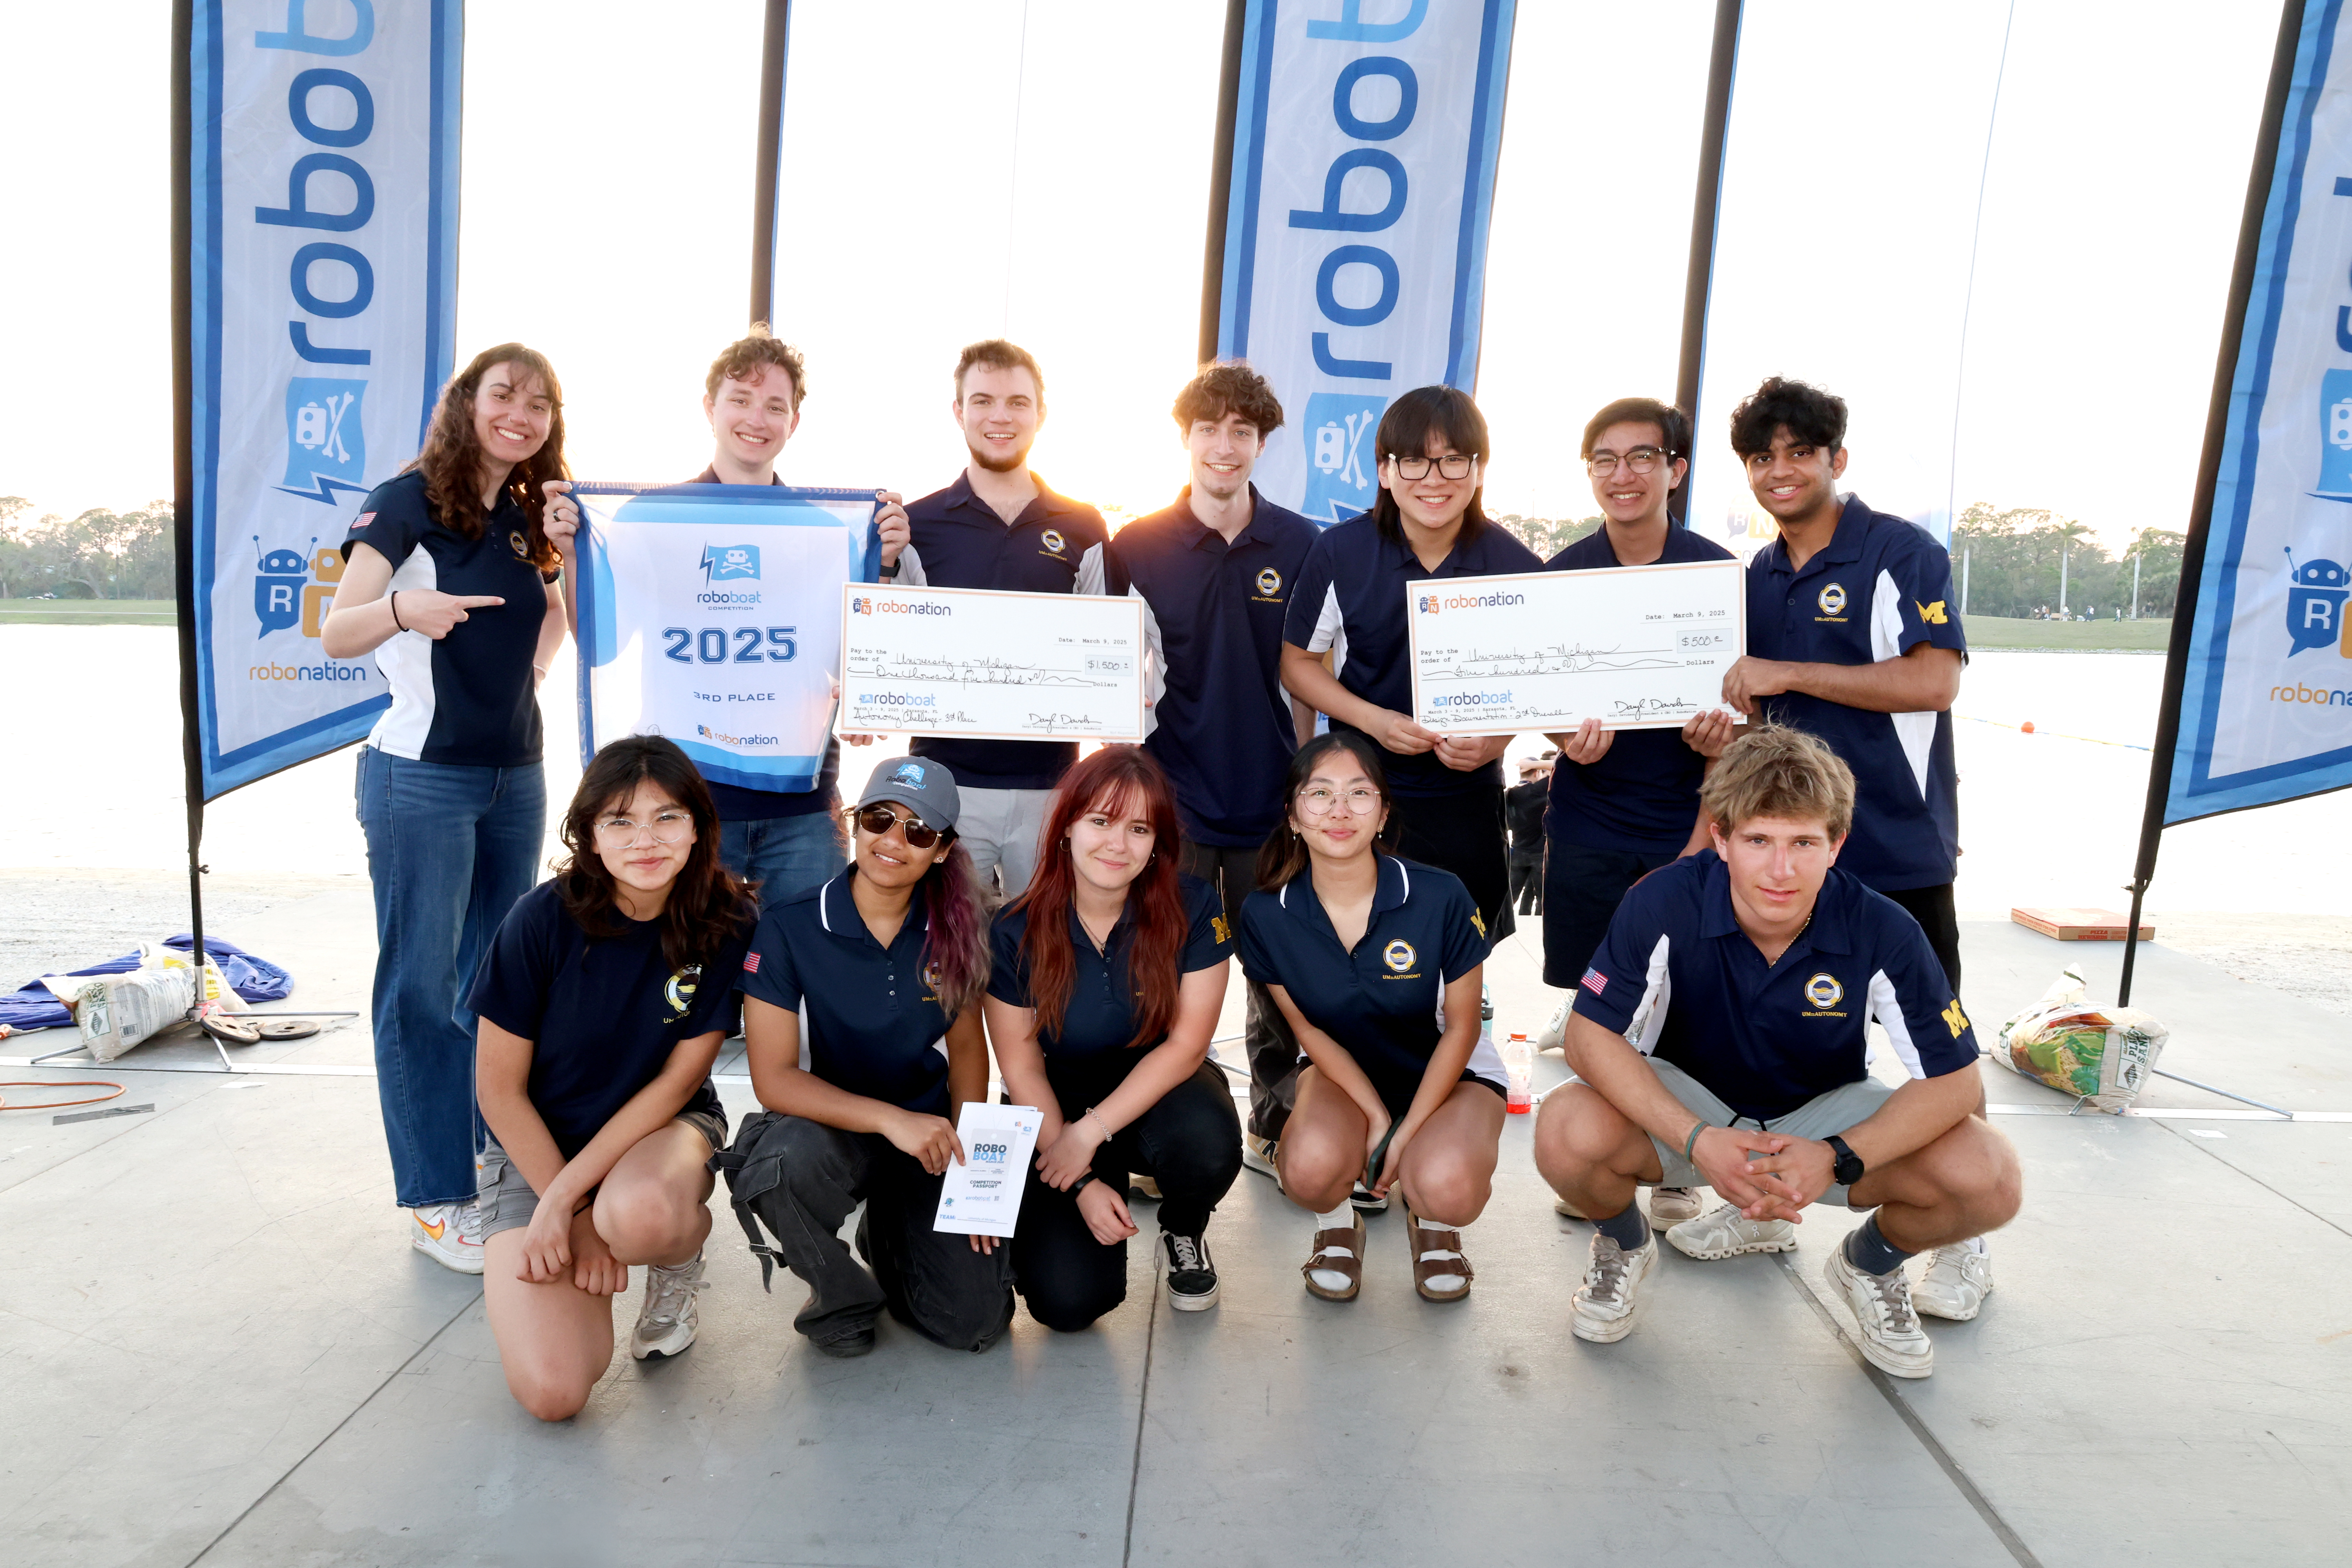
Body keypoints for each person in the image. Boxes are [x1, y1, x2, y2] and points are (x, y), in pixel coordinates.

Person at [1534, 725, 2020, 1379]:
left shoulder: (1883, 927)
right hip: (1691, 1108)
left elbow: (1957, 1083)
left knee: (1991, 1172)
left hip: (1819, 1116)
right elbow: (1587, 1036)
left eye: (1803, 843)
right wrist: (1698, 1138)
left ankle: (1870, 1263)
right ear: (1722, 839)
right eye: (1759, 841)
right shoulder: (1663, 900)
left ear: (1836, 844)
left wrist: (1839, 1157)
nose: (1782, 869)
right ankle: (1624, 1242)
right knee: (1566, 1125)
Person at [1718, 376, 1992, 1320]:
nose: (1780, 471)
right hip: (1786, 866)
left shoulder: (1898, 552)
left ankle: (1963, 1238)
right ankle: (1764, 1207)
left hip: (1894, 849)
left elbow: (1935, 680)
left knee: (1938, 1058)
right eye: (1762, 457)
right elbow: (1750, 706)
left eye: (1800, 451)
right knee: (1771, 1047)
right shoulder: (1753, 577)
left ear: (1837, 459)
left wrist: (1787, 671)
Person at [322, 344, 571, 1272]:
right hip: (421, 777)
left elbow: (555, 614)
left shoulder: (521, 516)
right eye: (504, 394)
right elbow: (337, 629)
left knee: (494, 984)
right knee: (421, 988)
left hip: (517, 776)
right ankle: (434, 1197)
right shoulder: (405, 498)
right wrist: (403, 610)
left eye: (540, 403)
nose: (521, 412)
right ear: (467, 402)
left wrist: (534, 678)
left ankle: (481, 1154)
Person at [468, 736, 755, 1420]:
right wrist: (566, 1205)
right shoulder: (541, 919)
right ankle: (586, 1243)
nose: (644, 840)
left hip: (662, 1129)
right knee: (554, 1393)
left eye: (666, 818)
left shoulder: (728, 921)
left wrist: (585, 1213)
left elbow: (677, 1083)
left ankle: (677, 1264)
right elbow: (498, 1092)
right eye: (620, 821)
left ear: (697, 829)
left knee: (641, 1216)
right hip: (538, 1145)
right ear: (591, 835)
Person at [712, 756, 1014, 1356]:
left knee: (974, 1323)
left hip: (928, 1133)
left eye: (919, 831)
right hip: (830, 1129)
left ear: (943, 850)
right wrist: (888, 1120)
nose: (894, 841)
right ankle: (842, 1297)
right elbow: (773, 1080)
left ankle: (893, 1234)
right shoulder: (790, 925)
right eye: (880, 819)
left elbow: (968, 1059)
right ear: (855, 824)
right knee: (777, 1164)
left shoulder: (956, 926)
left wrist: (971, 1180)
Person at [1107, 361, 1318, 1183]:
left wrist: (1306, 788)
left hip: (1271, 803)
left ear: (1262, 443)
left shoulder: (1303, 544)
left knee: (1276, 979)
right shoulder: (1137, 547)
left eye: (1242, 431)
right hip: (1174, 805)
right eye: (1209, 428)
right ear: (1185, 436)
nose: (1224, 446)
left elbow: (1313, 675)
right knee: (1162, 980)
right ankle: (1164, 1139)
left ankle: (1274, 1122)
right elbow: (1116, 678)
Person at [1532, 397, 1739, 1227]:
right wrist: (1566, 736)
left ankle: (1676, 1166)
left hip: (1682, 824)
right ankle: (1600, 1158)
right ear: (1591, 475)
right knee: (1598, 1007)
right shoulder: (1564, 573)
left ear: (1674, 470)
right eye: (1605, 460)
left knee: (1681, 1008)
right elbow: (1544, 697)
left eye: (1642, 457)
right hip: (1586, 825)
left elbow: (1741, 723)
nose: (1623, 474)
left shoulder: (1716, 576)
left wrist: (1701, 834)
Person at [1235, 731, 1505, 1304]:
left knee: (1448, 1187)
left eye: (1360, 794)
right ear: (1292, 816)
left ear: (1383, 814)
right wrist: (1378, 1117)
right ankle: (1337, 1224)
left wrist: (1406, 1133)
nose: (1339, 811)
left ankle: (1433, 1225)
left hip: (1452, 1074)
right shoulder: (1266, 911)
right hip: (1343, 1072)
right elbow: (1307, 1030)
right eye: (1320, 794)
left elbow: (1462, 1027)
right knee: (1306, 1172)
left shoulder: (1441, 896)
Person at [986, 746, 1241, 1327]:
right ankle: (1074, 1211)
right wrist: (1078, 1177)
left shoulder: (1194, 905)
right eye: (1100, 822)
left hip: (1159, 1092)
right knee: (1069, 1306)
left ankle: (1182, 1229)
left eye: (1139, 828)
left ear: (1158, 843)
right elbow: (1021, 1069)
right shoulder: (1013, 930)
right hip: (1055, 1106)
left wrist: (1093, 1133)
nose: (1116, 845)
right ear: (1067, 827)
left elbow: (1187, 1046)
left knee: (1206, 1141)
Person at [1279, 385, 1541, 948]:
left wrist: (1496, 740)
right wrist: (1373, 722)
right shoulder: (1339, 552)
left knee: (1459, 948)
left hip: (1465, 797)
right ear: (1384, 470)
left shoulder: (1516, 565)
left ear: (1478, 471)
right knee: (1354, 943)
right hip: (1364, 788)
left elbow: (1536, 679)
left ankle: (1465, 1031)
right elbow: (1297, 665)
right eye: (1415, 460)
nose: (1434, 478)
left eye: (1454, 460)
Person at [893, 339, 1120, 903]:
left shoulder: (1084, 525)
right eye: (984, 401)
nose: (1001, 416)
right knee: (948, 963)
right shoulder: (916, 524)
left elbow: (1108, 647)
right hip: (947, 785)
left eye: (1018, 402)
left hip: (1051, 787)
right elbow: (892, 648)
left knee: (1043, 955)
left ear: (1041, 414)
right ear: (959, 412)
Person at [1506, 757, 1548, 917]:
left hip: (1518, 851)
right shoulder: (1537, 791)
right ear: (1537, 772)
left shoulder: (1509, 794)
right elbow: (1558, 765)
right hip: (1539, 853)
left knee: (1510, 896)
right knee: (1542, 898)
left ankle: (1499, 929)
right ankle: (1538, 931)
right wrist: (1536, 764)